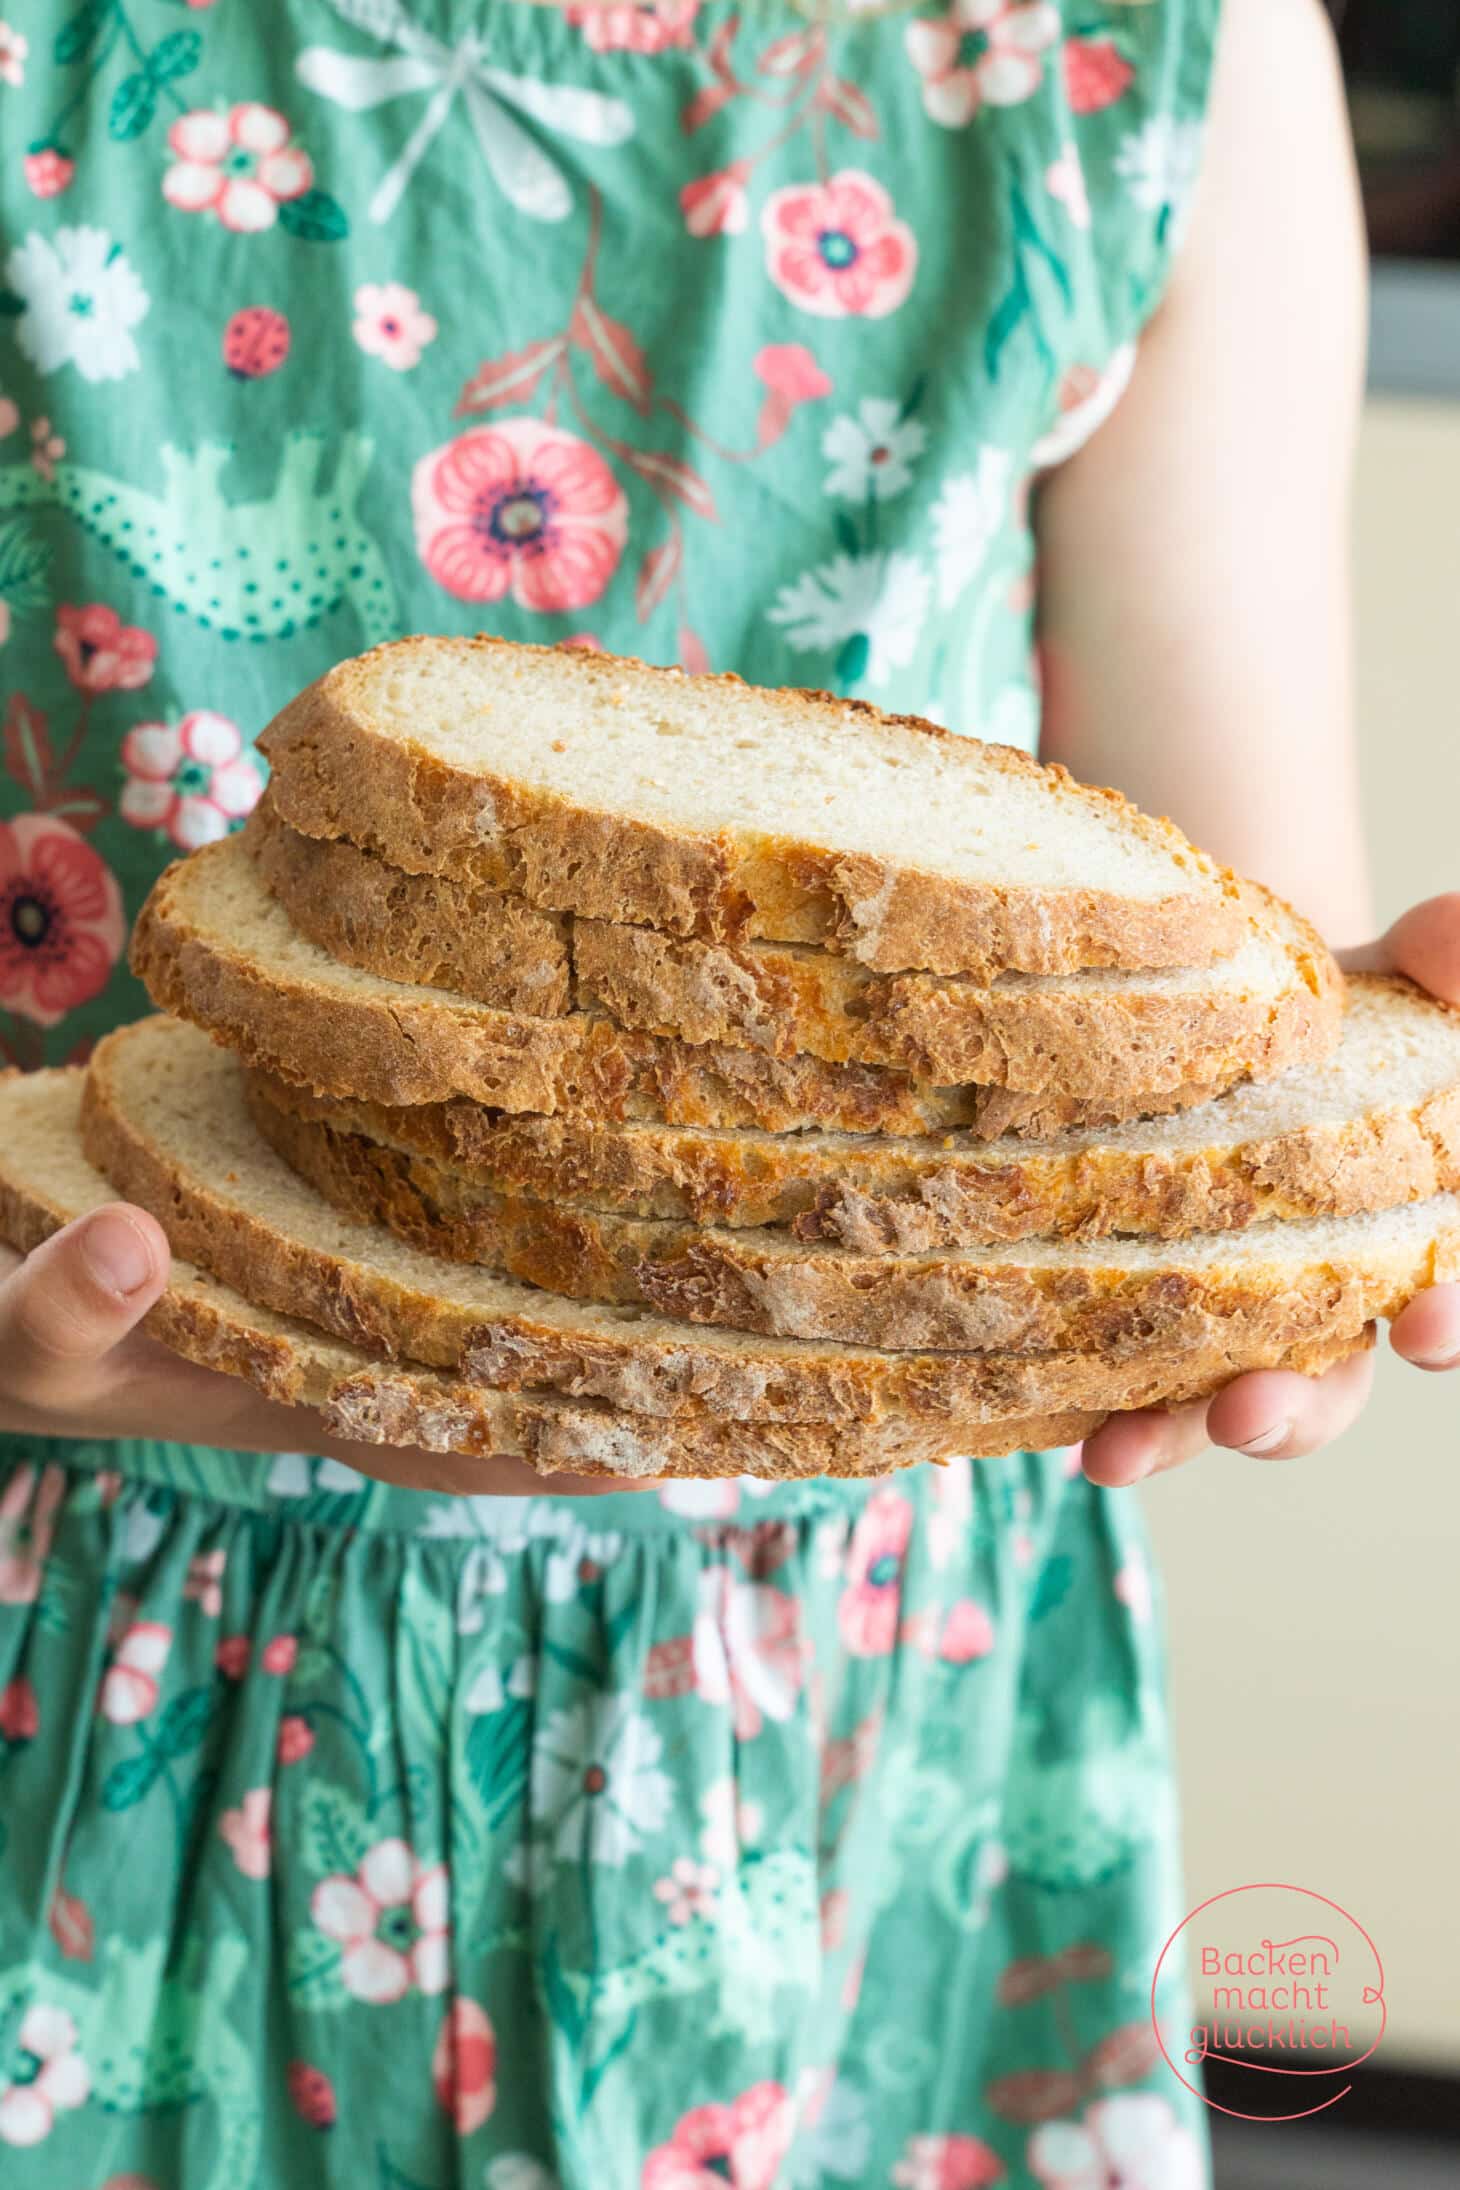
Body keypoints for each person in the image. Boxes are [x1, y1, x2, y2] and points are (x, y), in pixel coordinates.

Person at [0, 1, 1451, 2183]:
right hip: (77, 1667)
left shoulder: (1150, 56)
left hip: (845, 1718)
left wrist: (1316, 1185)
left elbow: (1225, 963)